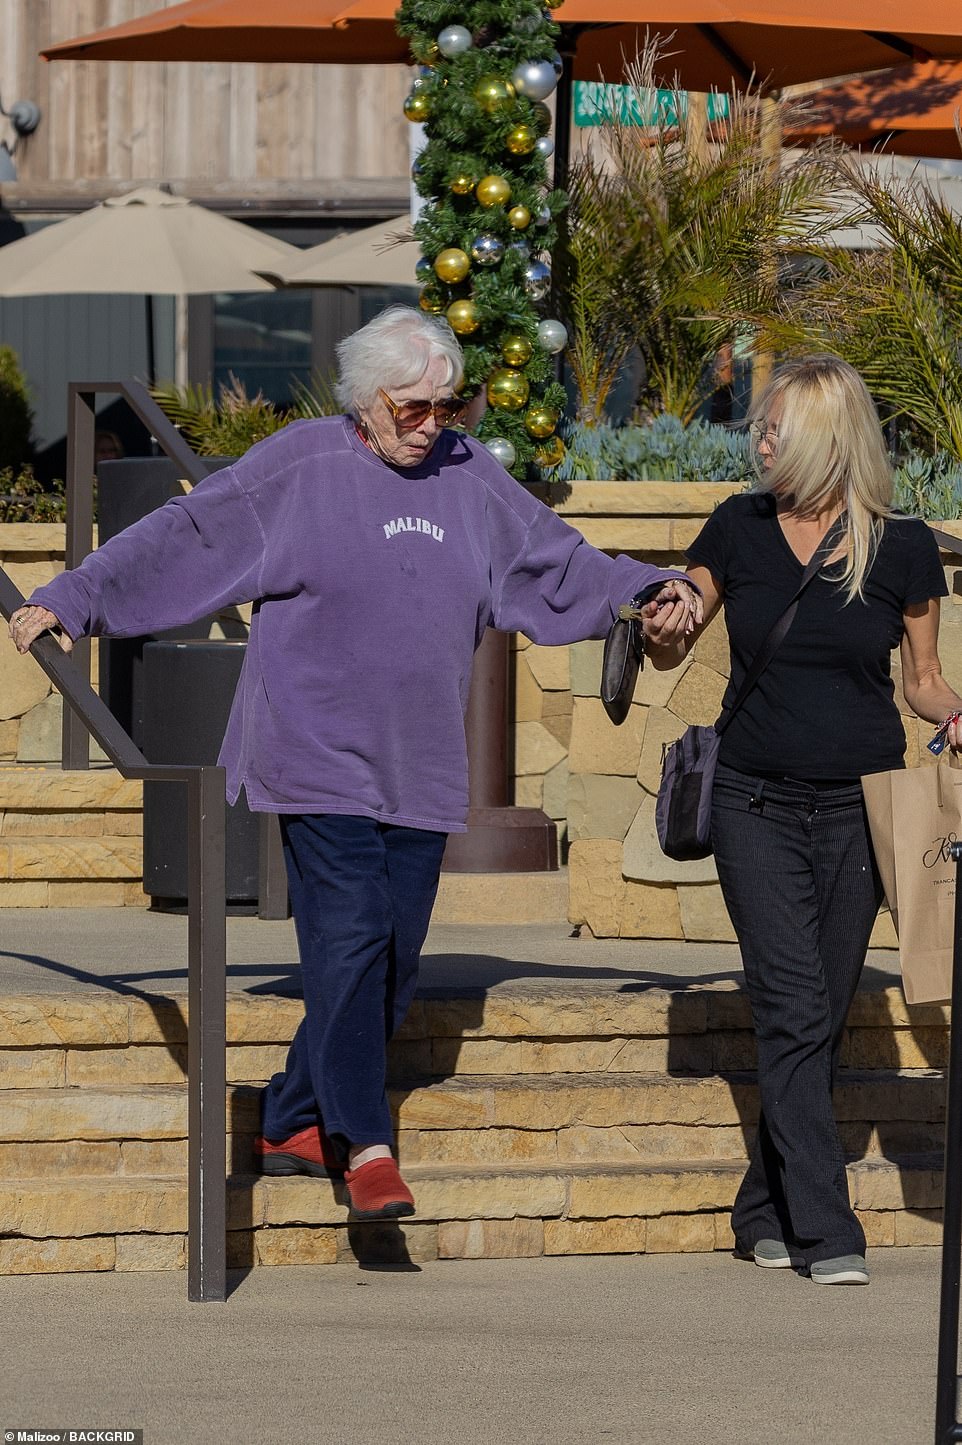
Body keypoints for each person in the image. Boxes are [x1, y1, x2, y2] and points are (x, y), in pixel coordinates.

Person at [10, 305, 701, 1222]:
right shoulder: (302, 465)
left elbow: (555, 561)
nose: (430, 425)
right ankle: (365, 1143)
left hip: (417, 764)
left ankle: (293, 1118)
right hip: (312, 751)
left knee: (393, 964)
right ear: (363, 401)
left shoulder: (468, 477)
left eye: (446, 407)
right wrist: (73, 597)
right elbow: (188, 535)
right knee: (349, 939)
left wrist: (645, 586)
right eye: (410, 408)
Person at [641, 354, 962, 1286]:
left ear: (824, 433)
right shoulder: (737, 528)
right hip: (751, 800)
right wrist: (667, 619)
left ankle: (761, 1207)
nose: (760, 438)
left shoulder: (900, 546)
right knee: (789, 1002)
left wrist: (953, 715)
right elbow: (682, 622)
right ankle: (829, 1228)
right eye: (759, 426)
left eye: (774, 424)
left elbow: (924, 680)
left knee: (815, 1015)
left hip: (860, 809)